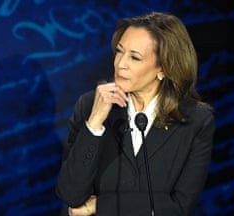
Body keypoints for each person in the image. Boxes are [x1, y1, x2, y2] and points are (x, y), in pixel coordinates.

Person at [56, 11, 215, 216]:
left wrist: (100, 206)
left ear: (163, 68)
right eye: (119, 52)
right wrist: (94, 124)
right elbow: (70, 195)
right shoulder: (90, 106)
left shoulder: (195, 121)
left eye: (135, 57)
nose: (121, 64)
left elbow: (179, 208)